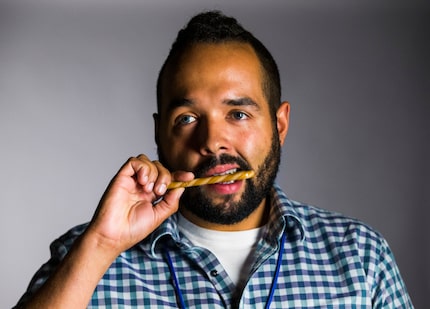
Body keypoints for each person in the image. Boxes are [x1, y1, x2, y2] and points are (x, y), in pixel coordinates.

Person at [15, 10, 413, 308]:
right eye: (187, 119)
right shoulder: (86, 256)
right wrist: (102, 245)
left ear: (280, 125)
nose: (213, 141)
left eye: (238, 115)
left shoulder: (361, 257)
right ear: (159, 133)